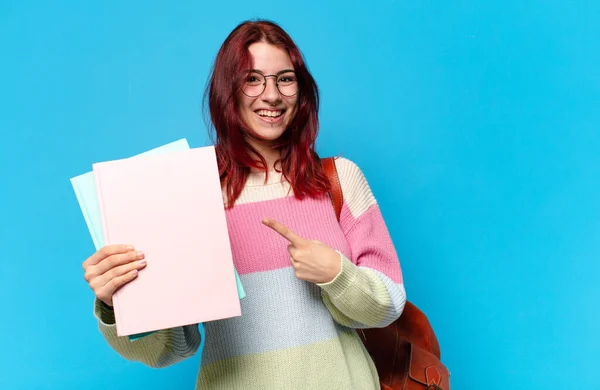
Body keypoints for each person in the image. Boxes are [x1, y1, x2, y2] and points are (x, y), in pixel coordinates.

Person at [82, 19, 406, 390]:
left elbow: (388, 305)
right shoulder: (190, 192)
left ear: (301, 91)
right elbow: (170, 349)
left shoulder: (339, 179)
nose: (272, 95)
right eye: (252, 80)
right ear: (228, 91)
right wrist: (116, 303)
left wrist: (337, 272)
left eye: (285, 78)